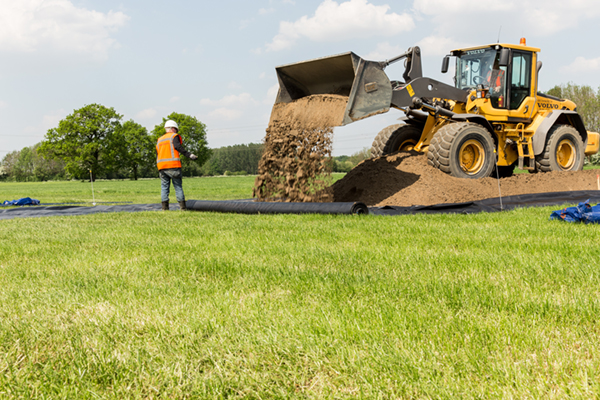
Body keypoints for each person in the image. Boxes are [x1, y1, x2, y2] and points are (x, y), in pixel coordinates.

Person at [156, 120, 197, 211]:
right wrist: (190, 155)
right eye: (176, 129)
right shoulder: (174, 136)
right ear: (173, 128)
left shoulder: (160, 139)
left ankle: (164, 208)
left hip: (161, 167)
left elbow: (157, 153)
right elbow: (178, 147)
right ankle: (183, 208)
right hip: (173, 166)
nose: (176, 131)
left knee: (164, 187)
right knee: (178, 186)